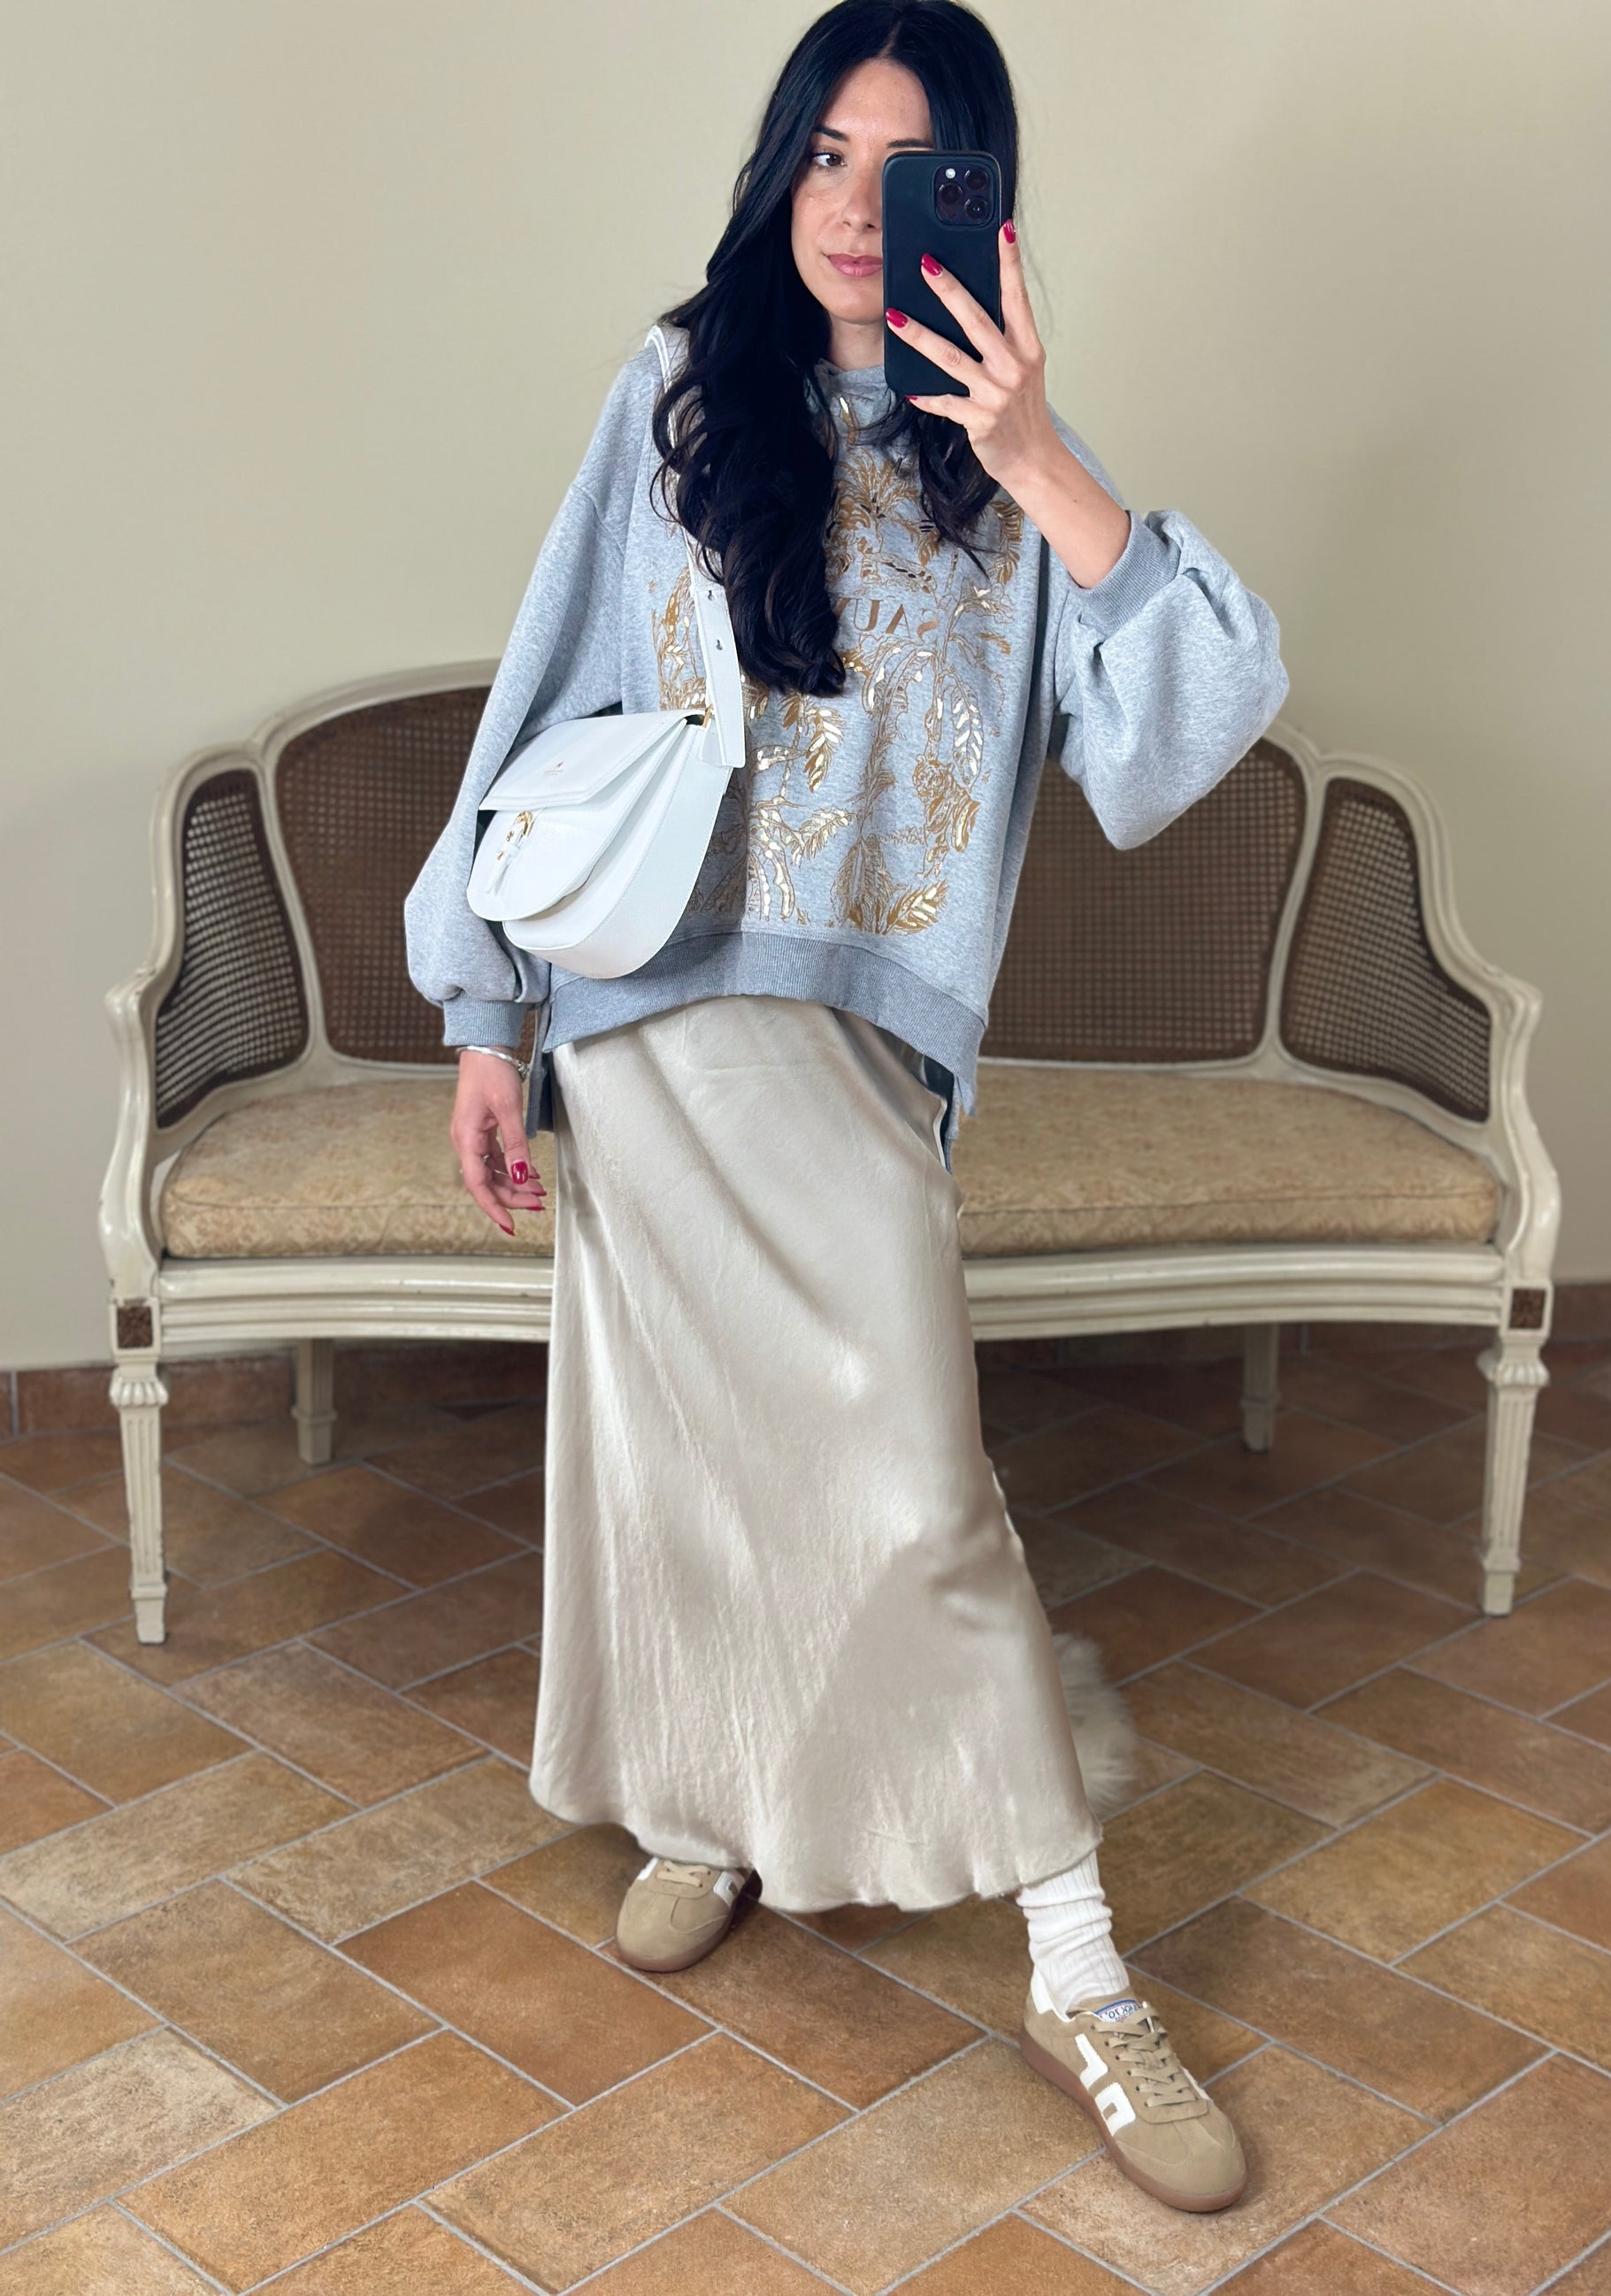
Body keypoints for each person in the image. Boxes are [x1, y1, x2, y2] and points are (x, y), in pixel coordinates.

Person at [406, 0, 1285, 2214]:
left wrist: (1047, 455)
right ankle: (712, 1804)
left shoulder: (1010, 467)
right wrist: (486, 1014)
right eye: (821, 153)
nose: (851, 207)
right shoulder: (677, 391)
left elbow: (1184, 729)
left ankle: (1076, 1968)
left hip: (861, 1053)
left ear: (977, 201)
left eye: (904, 170)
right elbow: (547, 694)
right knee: (685, 1457)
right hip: (639, 1022)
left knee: (912, 1488)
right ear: (776, 165)